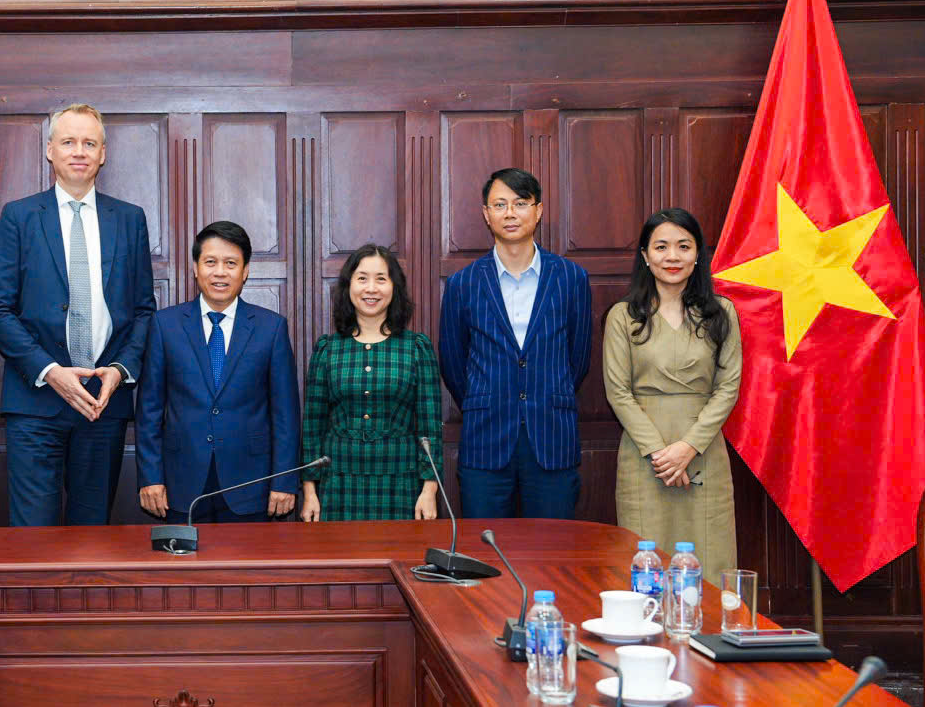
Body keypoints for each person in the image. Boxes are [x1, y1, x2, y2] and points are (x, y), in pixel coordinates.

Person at [0, 103, 156, 526]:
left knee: (92, 535)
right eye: (69, 142)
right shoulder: (19, 216)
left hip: (102, 402)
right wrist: (50, 371)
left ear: (103, 154)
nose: (79, 151)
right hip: (36, 402)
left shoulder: (129, 219)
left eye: (89, 143)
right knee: (33, 537)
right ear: (50, 150)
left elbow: (143, 311)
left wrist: (120, 370)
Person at [438, 167, 591, 520]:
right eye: (500, 204)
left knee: (553, 547)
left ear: (538, 211)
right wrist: (487, 399)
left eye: (521, 203)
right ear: (486, 214)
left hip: (552, 438)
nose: (510, 213)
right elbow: (453, 363)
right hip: (486, 441)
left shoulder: (571, 278)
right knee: (484, 547)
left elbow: (578, 359)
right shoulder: (463, 284)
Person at [604, 208, 741, 582]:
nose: (672, 256)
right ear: (645, 256)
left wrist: (688, 447)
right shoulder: (623, 316)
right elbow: (618, 392)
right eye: (661, 247)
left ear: (697, 255)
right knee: (646, 563)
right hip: (644, 456)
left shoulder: (722, 313)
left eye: (684, 246)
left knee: (711, 562)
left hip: (704, 451)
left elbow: (728, 387)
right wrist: (660, 453)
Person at [135, 221, 299, 524]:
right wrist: (150, 477)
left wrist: (284, 481)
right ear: (196, 268)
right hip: (180, 483)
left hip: (251, 484)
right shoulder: (165, 325)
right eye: (210, 262)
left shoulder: (271, 328)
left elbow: (285, 415)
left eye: (231, 263)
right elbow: (149, 410)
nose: (220, 272)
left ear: (245, 271)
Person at [300, 244, 443, 522]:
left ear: (394, 287)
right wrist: (309, 491)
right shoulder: (328, 349)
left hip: (401, 484)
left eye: (381, 279)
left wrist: (429, 489)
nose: (371, 289)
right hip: (338, 484)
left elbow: (430, 428)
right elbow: (312, 428)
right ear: (348, 286)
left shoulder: (416, 348)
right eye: (362, 278)